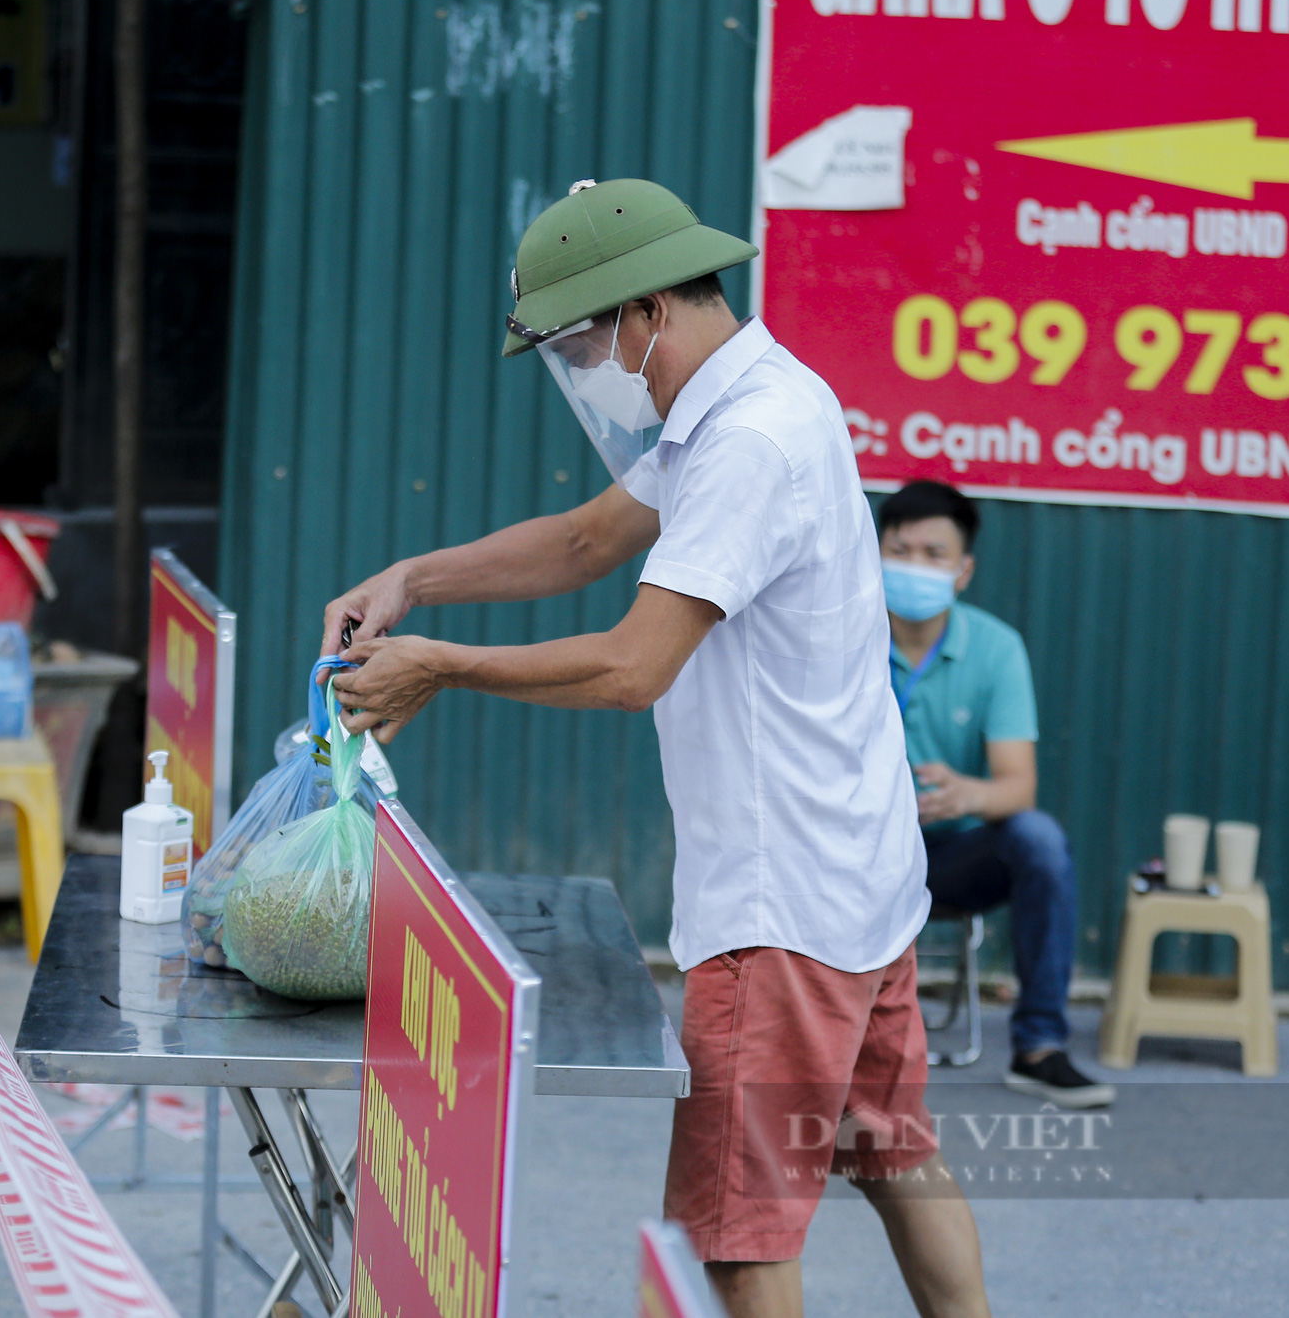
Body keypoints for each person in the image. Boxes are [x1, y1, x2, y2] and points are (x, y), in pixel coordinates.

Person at [319, 179, 991, 1318]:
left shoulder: (747, 442)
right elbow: (587, 536)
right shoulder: (755, 396)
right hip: (862, 881)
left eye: (584, 342)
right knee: (889, 1149)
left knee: (734, 1237)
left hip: (778, 907)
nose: (586, 368)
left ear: (644, 313)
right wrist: (414, 578)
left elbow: (633, 666)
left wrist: (443, 663)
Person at [877, 479, 1114, 1110]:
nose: (915, 566)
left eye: (934, 554)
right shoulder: (840, 632)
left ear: (964, 570)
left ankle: (1040, 1047)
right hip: (855, 850)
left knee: (1038, 839)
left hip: (948, 857)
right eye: (899, 550)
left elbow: (1018, 787)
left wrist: (967, 796)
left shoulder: (996, 647)